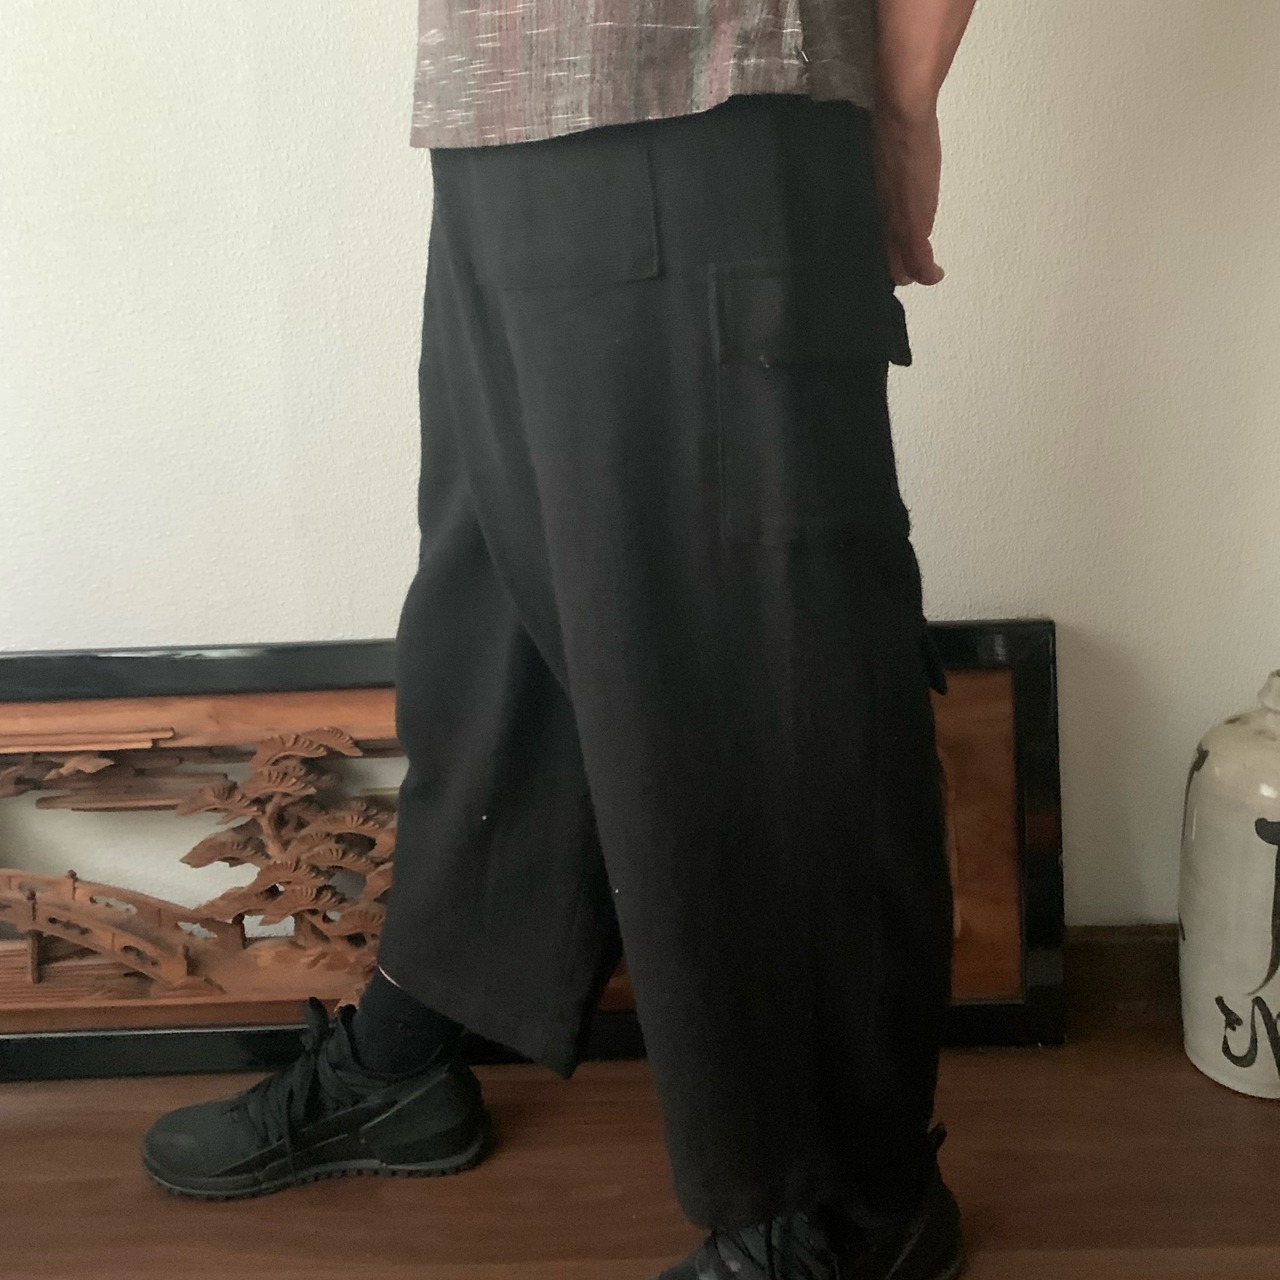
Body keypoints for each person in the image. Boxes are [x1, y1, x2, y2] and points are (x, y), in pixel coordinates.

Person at [141, 2, 976, 1276]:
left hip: (710, 100)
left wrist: (903, 103)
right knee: (493, 619)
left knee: (755, 656)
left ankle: (850, 1205)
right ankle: (414, 1044)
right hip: (504, 106)